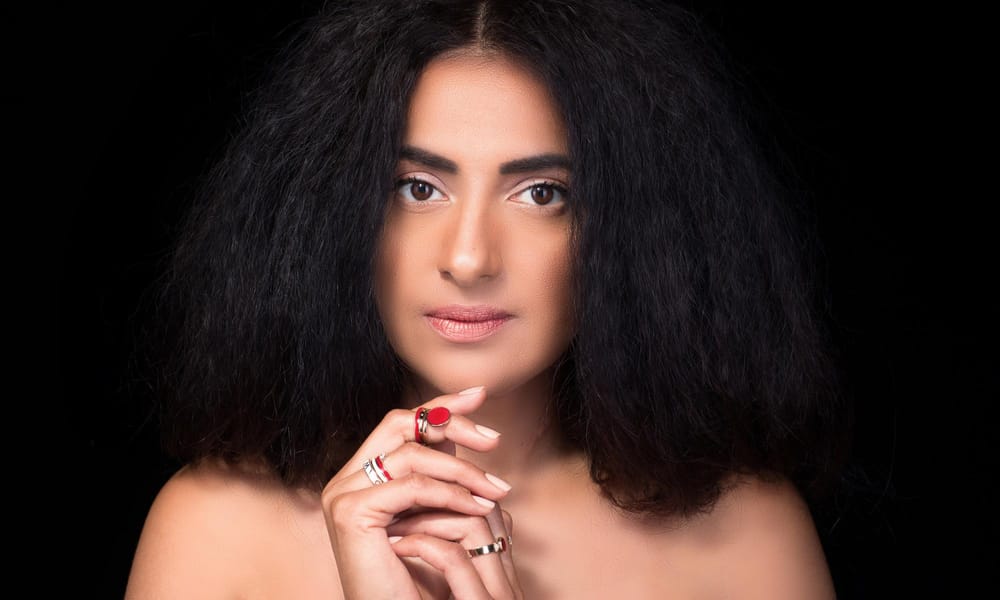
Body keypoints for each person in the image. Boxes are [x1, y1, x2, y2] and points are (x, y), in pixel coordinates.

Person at [125, 0, 851, 597]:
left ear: (635, 233)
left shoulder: (747, 535)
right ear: (332, 210)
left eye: (542, 194)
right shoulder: (212, 531)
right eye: (418, 188)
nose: (469, 258)